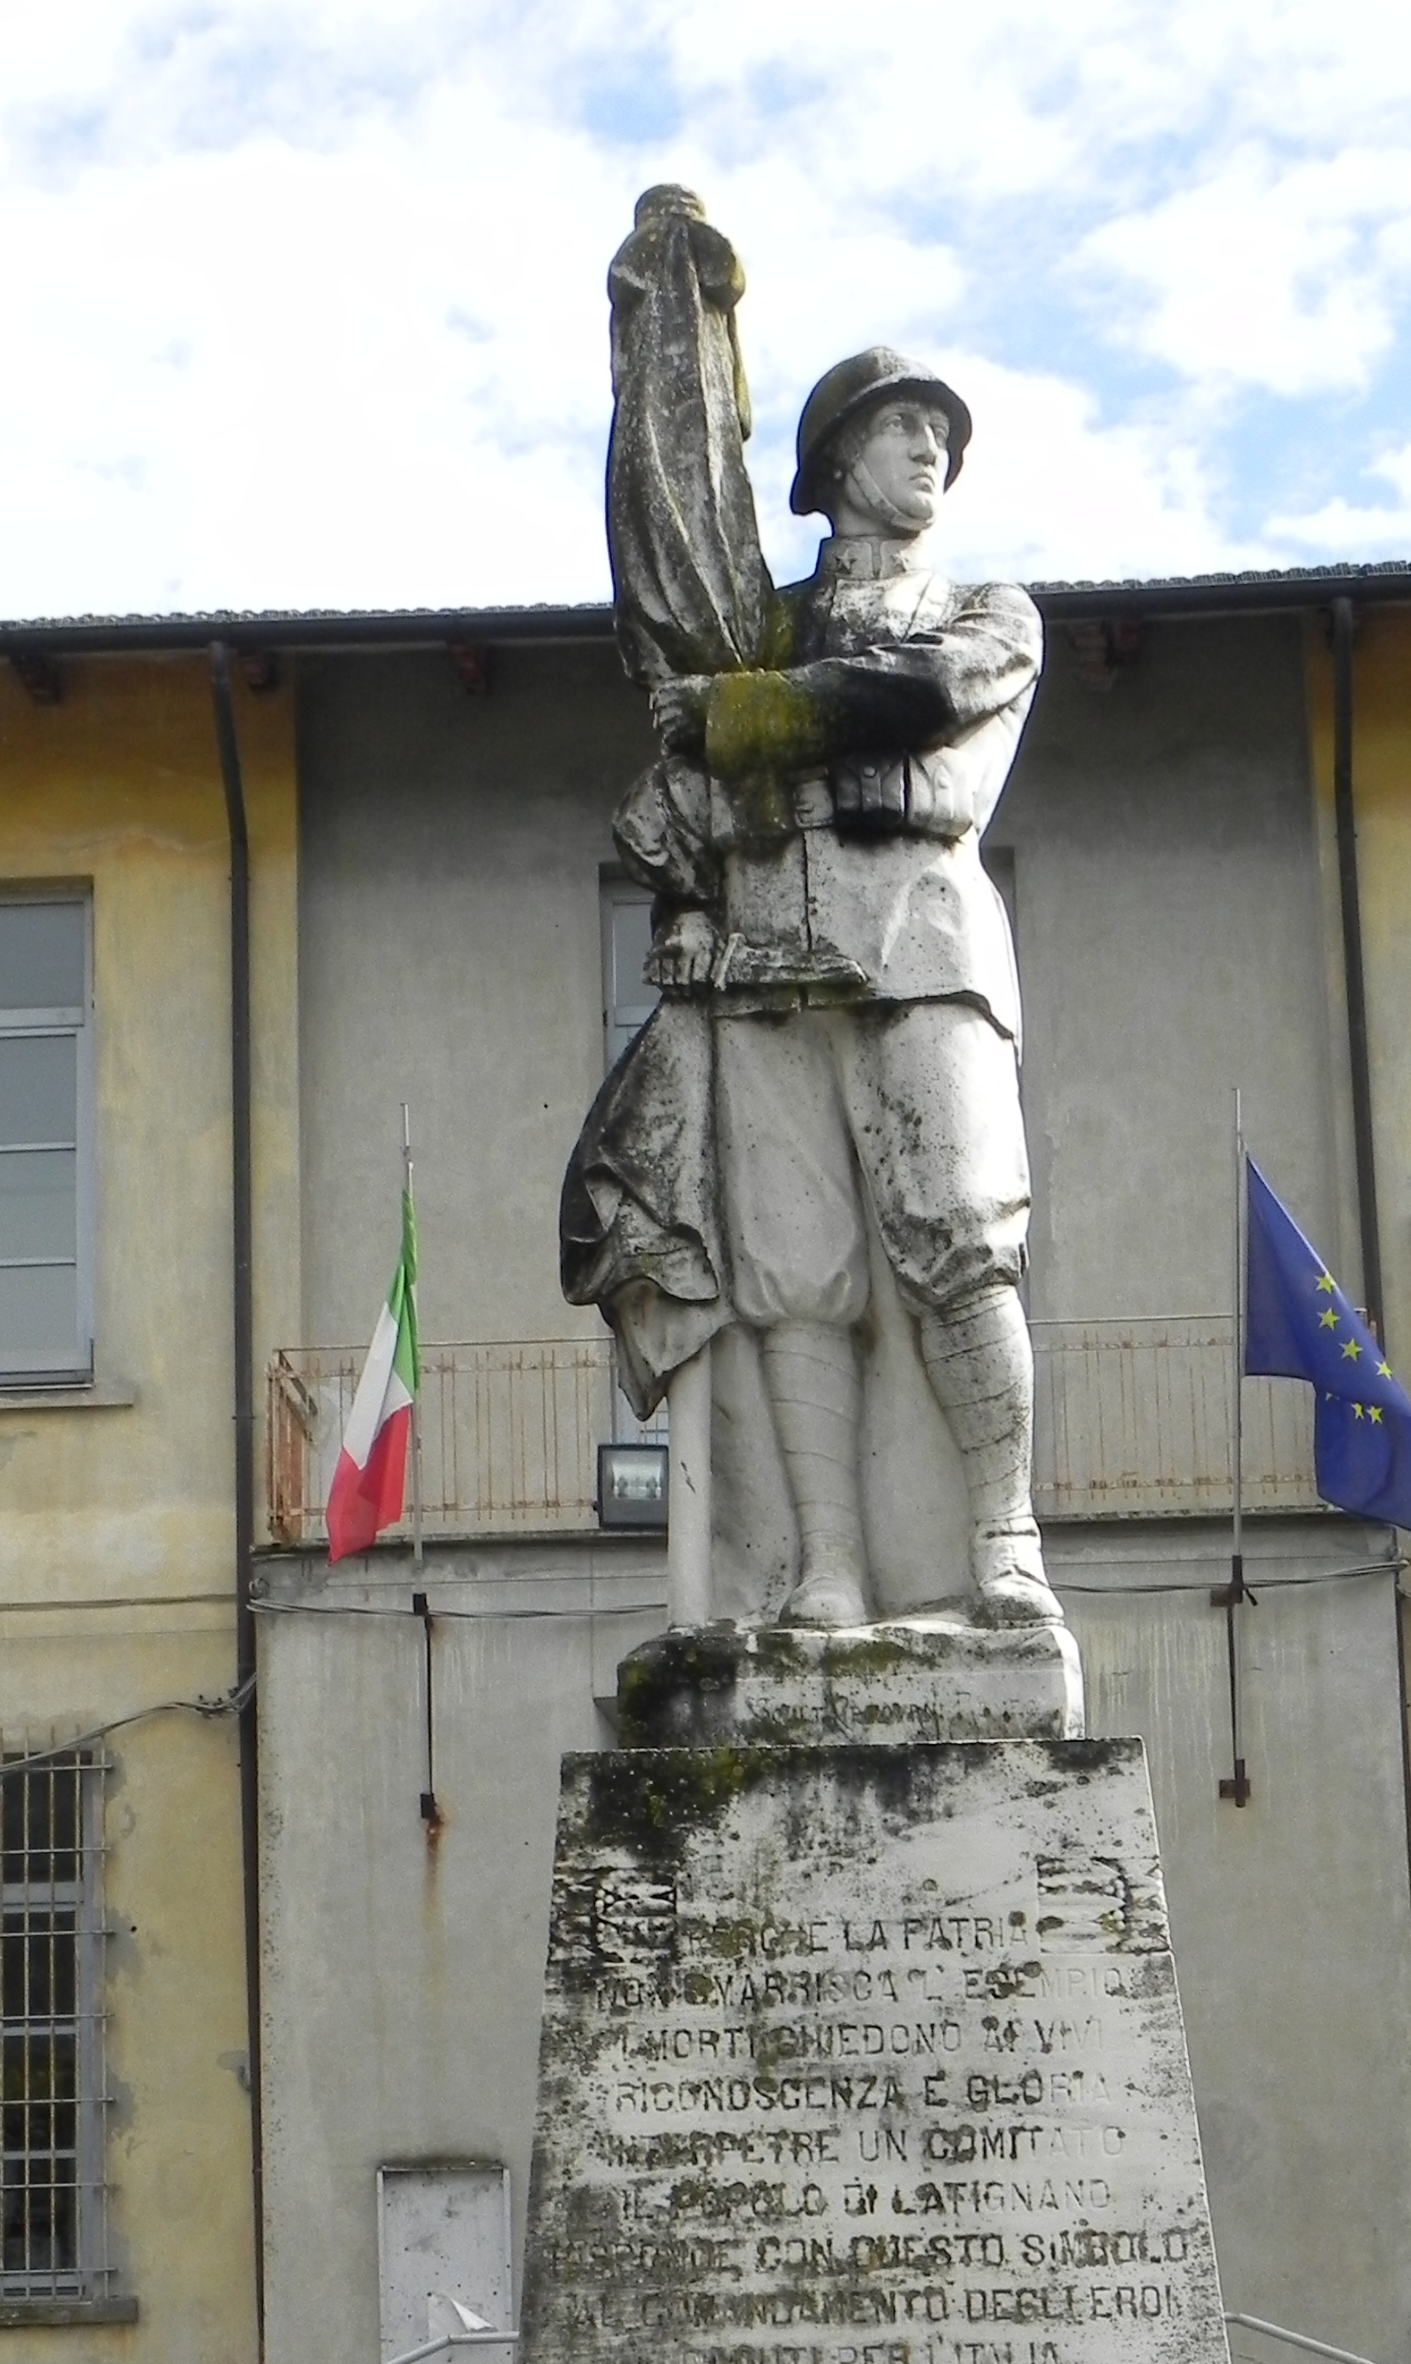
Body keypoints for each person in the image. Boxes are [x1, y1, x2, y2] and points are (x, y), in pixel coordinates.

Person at [564, 294, 1056, 1631]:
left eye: (941, 433)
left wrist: (749, 729)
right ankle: (828, 1568)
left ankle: (1004, 1542)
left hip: (919, 958)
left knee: (961, 1244)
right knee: (793, 1280)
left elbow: (929, 735)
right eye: (902, 427)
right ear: (838, 461)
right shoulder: (756, 630)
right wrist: (744, 767)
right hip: (763, 970)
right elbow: (668, 814)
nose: (931, 452)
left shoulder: (987, 613)